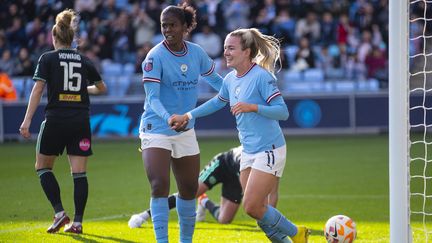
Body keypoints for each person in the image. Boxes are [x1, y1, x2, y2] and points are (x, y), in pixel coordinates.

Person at [170, 28, 310, 243]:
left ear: (246, 51)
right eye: (225, 47)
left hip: (270, 149)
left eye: (231, 48)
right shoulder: (230, 79)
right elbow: (218, 101)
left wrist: (253, 107)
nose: (225, 52)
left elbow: (283, 112)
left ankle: (296, 233)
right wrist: (188, 115)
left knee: (252, 206)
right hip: (248, 151)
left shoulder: (262, 77)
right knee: (256, 210)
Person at [139, 3, 223, 243]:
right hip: (157, 127)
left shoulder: (196, 53)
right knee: (159, 184)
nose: (167, 30)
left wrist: (239, 91)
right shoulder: (154, 56)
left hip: (185, 130)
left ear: (186, 27)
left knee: (188, 190)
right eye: (164, 25)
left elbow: (218, 82)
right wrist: (169, 118)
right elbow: (152, 98)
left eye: (172, 25)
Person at [19, 9, 107, 234]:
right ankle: (77, 222)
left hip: (56, 120)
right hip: (80, 121)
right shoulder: (84, 59)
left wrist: (27, 120)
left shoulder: (47, 58)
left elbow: (38, 89)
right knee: (79, 174)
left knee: (42, 167)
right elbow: (101, 88)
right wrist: (80, 90)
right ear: (72, 37)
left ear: (54, 37)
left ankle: (59, 213)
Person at [128, 146, 280, 228]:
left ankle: (204, 202)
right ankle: (144, 215)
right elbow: (252, 198)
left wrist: (269, 221)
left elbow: (273, 193)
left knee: (224, 220)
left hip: (237, 175)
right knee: (189, 193)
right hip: (224, 164)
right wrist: (265, 220)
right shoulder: (258, 155)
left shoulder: (274, 160)